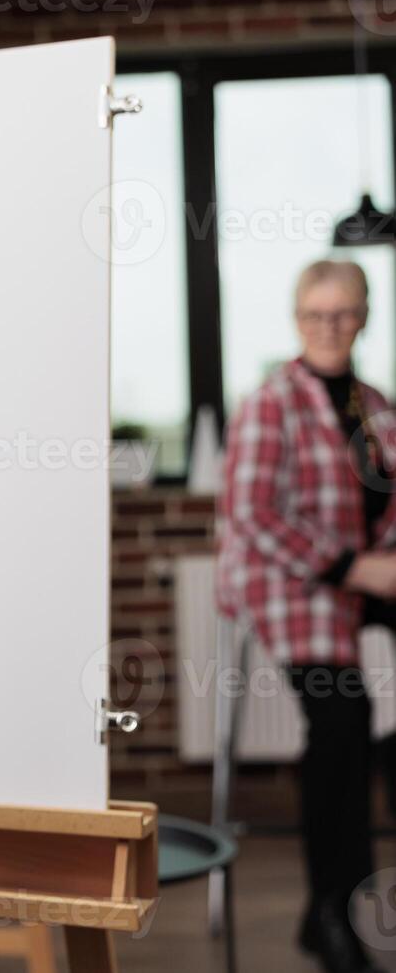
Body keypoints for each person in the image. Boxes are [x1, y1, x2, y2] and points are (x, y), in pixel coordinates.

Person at [216, 259, 396, 973]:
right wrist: (355, 568)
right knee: (342, 716)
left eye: (344, 313)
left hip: (363, 571)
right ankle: (332, 908)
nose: (331, 326)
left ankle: (390, 757)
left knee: (359, 729)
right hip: (289, 576)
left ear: (364, 315)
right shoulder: (271, 400)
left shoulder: (375, 405)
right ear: (298, 319)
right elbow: (252, 515)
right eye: (316, 315)